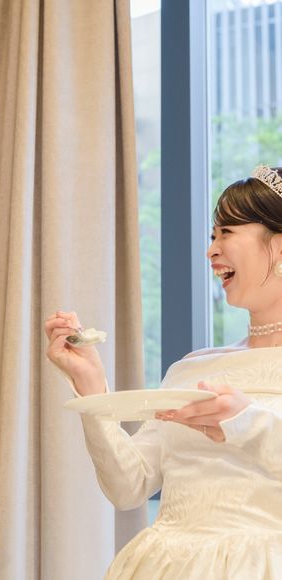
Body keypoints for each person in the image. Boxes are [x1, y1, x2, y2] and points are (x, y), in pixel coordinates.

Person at [45, 165, 282, 579]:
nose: (211, 251)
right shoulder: (192, 368)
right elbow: (128, 486)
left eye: (226, 233)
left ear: (278, 245)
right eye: (212, 236)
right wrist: (92, 386)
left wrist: (247, 420)